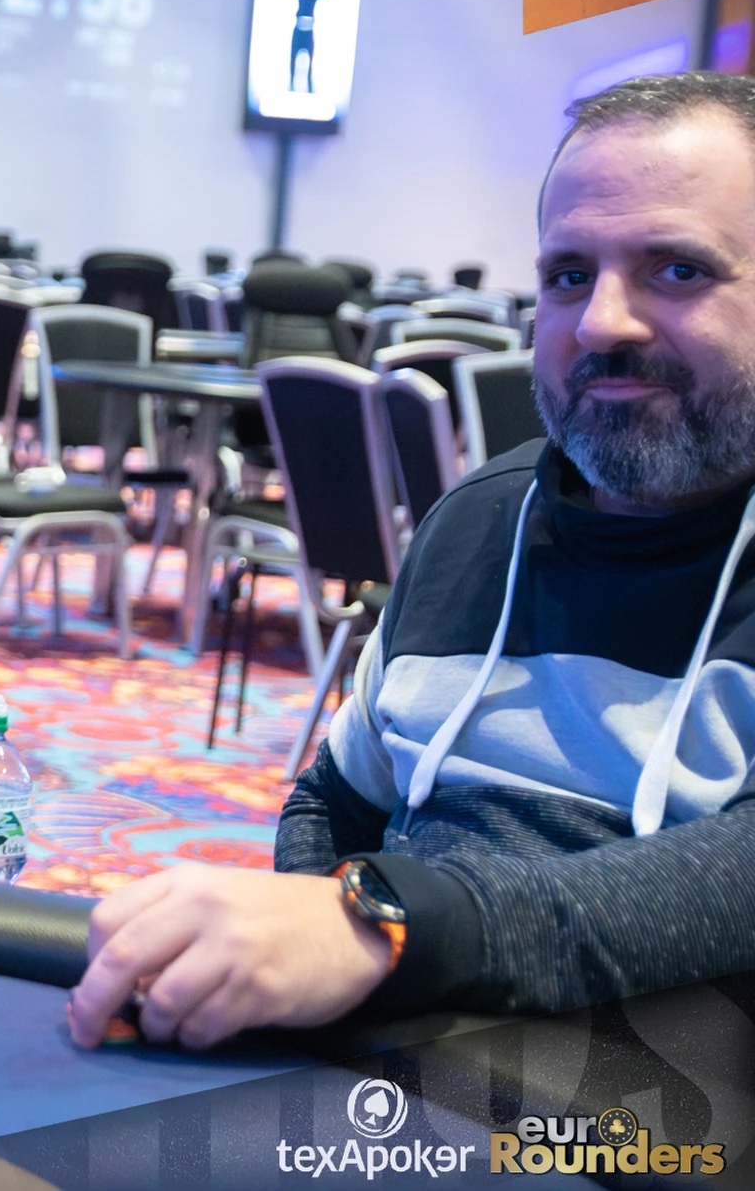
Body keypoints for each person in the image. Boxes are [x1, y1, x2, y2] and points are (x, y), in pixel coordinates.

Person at [68, 70, 755, 1049]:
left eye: (677, 269)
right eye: (568, 275)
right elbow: (334, 801)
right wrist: (321, 990)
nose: (601, 321)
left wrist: (387, 928)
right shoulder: (477, 523)